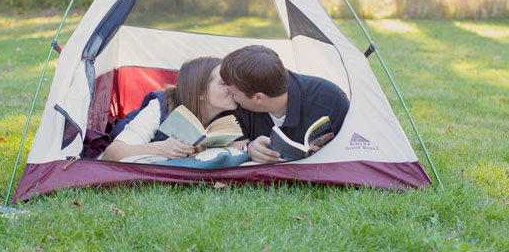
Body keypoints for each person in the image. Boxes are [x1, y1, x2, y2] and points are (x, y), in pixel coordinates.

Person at [220, 45, 350, 163]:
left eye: (234, 93)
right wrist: (248, 149)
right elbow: (228, 151)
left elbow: (353, 147)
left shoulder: (331, 101)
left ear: (259, 98)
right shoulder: (234, 106)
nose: (229, 95)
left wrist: (329, 153)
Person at [102, 57, 239, 161]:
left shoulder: (233, 112)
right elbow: (111, 154)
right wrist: (161, 149)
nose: (234, 87)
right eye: (225, 83)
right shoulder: (160, 106)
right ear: (200, 93)